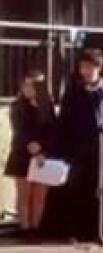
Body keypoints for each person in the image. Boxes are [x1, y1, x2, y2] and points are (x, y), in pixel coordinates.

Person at [56, 49, 103, 242]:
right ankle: (72, 230)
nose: (86, 71)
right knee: (75, 185)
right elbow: (65, 117)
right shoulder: (73, 90)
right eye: (83, 67)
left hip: (100, 142)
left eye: (90, 67)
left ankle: (100, 230)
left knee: (99, 186)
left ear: (99, 68)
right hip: (77, 143)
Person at [4, 70, 56, 235]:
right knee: (24, 194)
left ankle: (37, 228)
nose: (31, 88)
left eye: (36, 84)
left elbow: (53, 130)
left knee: (40, 195)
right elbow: (20, 130)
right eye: (27, 84)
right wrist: (34, 148)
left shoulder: (47, 106)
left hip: (44, 154)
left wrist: (43, 148)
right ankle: (25, 228)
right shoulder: (17, 106)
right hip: (22, 153)